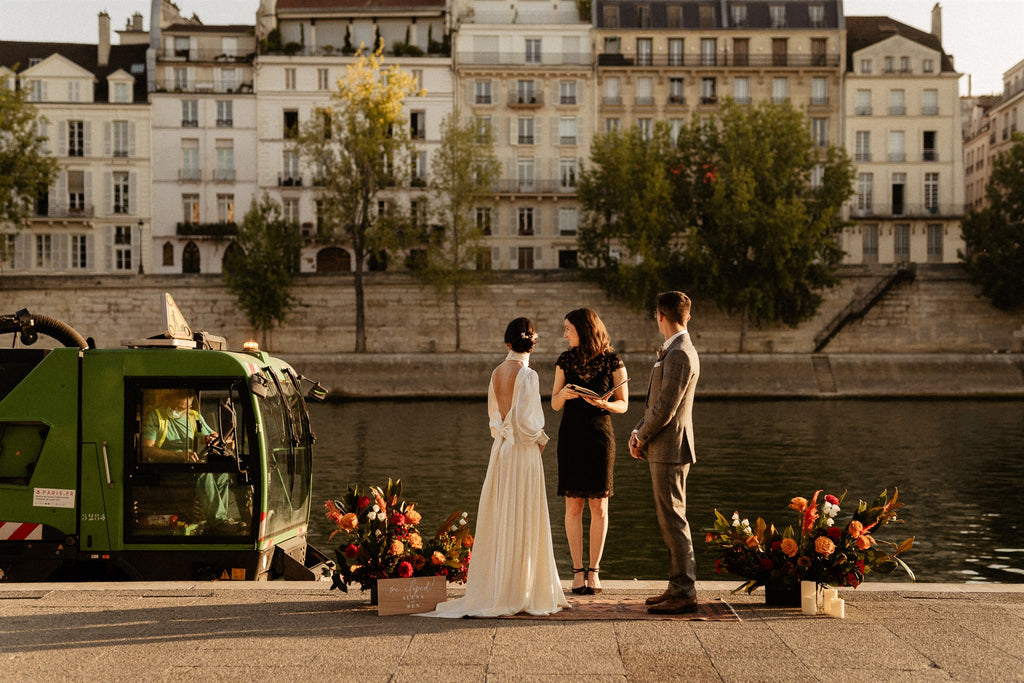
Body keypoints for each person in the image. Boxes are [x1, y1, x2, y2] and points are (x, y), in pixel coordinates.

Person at [422, 318, 569, 617]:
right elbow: (529, 424)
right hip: (523, 453)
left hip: (501, 451)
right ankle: (522, 590)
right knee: (524, 516)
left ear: (507, 344)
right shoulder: (528, 375)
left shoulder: (496, 373)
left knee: (503, 515)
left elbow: (494, 420)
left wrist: (511, 435)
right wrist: (541, 440)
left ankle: (499, 586)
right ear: (532, 344)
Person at [628, 291, 701, 614]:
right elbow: (658, 404)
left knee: (674, 520)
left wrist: (641, 435)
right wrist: (638, 432)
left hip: (670, 447)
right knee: (669, 519)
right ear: (687, 316)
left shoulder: (680, 354)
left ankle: (684, 591)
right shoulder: (675, 350)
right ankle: (676, 586)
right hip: (664, 446)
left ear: (660, 315)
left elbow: (666, 408)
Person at [551, 308, 628, 595]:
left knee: (599, 505)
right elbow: (554, 404)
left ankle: (594, 571)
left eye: (568, 328)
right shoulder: (564, 359)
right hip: (571, 436)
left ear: (583, 329)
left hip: (599, 437)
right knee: (573, 505)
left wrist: (606, 405)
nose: (564, 333)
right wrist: (564, 395)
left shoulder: (613, 360)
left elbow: (624, 404)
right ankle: (576, 572)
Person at [141, 389, 238, 533]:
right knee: (202, 473)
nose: (177, 410)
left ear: (190, 405)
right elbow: (147, 450)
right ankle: (218, 521)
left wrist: (209, 438)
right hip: (166, 467)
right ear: (169, 400)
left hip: (189, 466)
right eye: (176, 406)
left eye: (182, 408)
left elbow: (211, 434)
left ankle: (220, 519)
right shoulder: (156, 417)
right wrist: (179, 456)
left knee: (221, 472)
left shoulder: (194, 417)